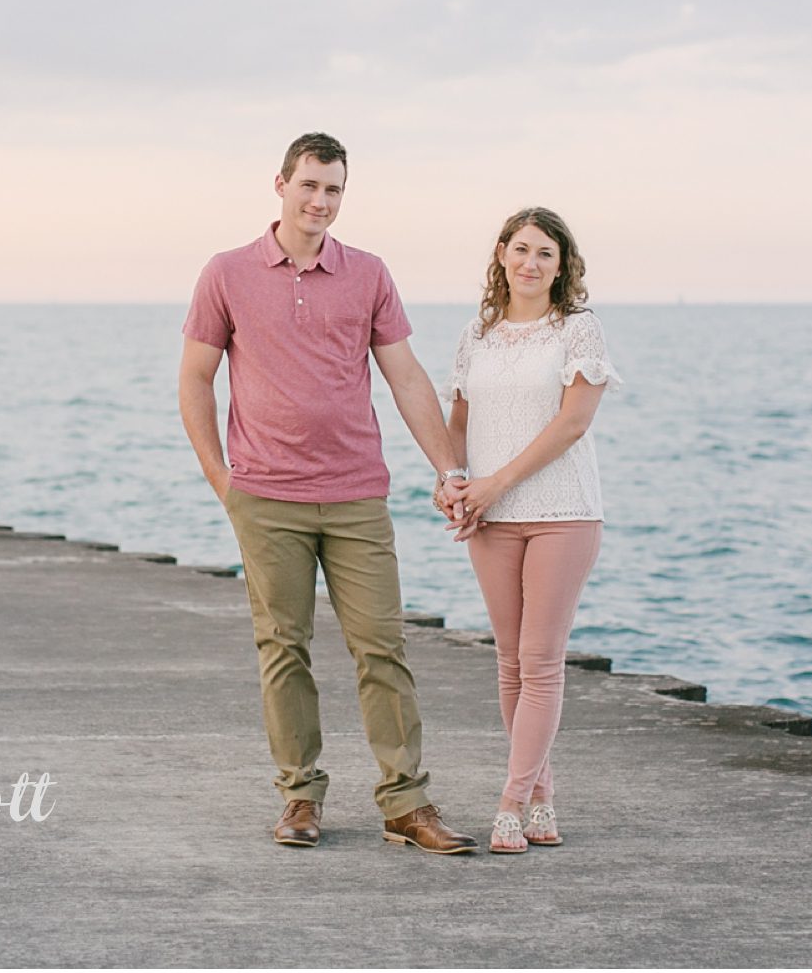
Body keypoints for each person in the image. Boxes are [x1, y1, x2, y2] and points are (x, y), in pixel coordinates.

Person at [178, 132, 480, 854]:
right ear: (280, 184)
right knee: (284, 647)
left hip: (355, 495)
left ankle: (406, 803)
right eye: (310, 185)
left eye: (334, 189)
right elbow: (195, 377)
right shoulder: (226, 272)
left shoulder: (368, 273)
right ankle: (299, 797)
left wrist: (449, 468)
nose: (321, 201)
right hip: (266, 495)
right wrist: (224, 481)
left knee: (383, 646)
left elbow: (405, 376)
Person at [435, 207, 619, 855]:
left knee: (541, 662)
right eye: (520, 249)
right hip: (490, 517)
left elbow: (572, 424)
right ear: (501, 254)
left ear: (562, 263)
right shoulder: (476, 333)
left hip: (563, 512)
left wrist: (495, 481)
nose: (530, 262)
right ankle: (540, 792)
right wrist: (453, 477)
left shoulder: (579, 330)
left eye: (545, 252)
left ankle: (509, 802)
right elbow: (457, 419)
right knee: (509, 662)